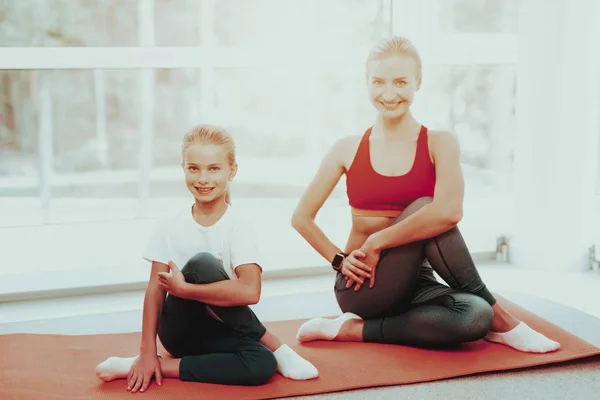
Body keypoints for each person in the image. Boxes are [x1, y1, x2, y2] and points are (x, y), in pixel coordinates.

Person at [292, 36, 560, 354]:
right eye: (378, 82)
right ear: (366, 82)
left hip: (418, 286)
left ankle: (353, 330)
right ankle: (504, 320)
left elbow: (450, 212)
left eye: (401, 82)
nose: (389, 94)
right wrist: (339, 260)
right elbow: (301, 218)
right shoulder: (347, 148)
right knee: (427, 207)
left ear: (418, 82)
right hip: (364, 287)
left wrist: (379, 240)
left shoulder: (440, 143)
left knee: (474, 316)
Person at [95, 124, 318, 393]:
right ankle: (277, 346)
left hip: (218, 329)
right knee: (203, 264)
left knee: (262, 364)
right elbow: (154, 289)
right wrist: (147, 351)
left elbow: (250, 291)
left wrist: (185, 289)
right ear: (184, 168)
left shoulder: (239, 225)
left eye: (214, 169)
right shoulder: (170, 224)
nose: (203, 178)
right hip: (179, 329)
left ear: (231, 171)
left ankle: (156, 366)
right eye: (194, 168)